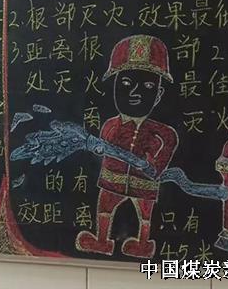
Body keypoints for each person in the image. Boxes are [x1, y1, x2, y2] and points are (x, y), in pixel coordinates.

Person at [75, 34, 178, 259]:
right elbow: (103, 146)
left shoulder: (160, 131)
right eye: (125, 84)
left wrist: (156, 166)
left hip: (144, 181)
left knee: (145, 213)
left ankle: (143, 243)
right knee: (105, 207)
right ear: (114, 88)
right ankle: (102, 240)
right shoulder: (110, 125)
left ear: (158, 95)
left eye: (148, 86)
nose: (134, 92)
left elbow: (170, 142)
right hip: (112, 179)